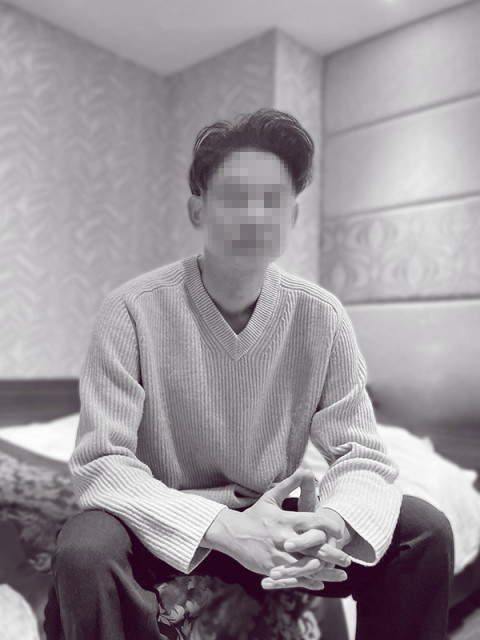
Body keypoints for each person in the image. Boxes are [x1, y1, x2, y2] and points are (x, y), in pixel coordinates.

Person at [44, 109, 454, 640]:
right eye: (235, 197)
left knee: (424, 531)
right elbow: (102, 462)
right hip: (169, 520)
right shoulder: (131, 310)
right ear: (197, 209)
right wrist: (225, 529)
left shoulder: (321, 317)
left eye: (272, 200)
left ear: (293, 216)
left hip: (271, 516)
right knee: (84, 549)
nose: (255, 215)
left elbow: (361, 455)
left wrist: (333, 522)